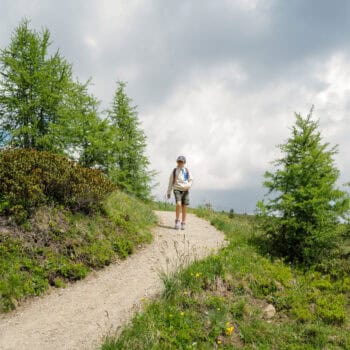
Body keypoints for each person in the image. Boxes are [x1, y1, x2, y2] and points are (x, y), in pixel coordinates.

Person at [167, 155, 193, 230]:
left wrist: (188, 186)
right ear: (177, 162)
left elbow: (191, 179)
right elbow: (170, 182)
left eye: (181, 161)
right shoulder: (174, 171)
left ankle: (183, 222)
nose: (180, 163)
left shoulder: (187, 170)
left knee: (184, 206)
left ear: (184, 162)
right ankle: (177, 220)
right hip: (177, 189)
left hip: (185, 190)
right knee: (178, 204)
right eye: (179, 161)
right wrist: (168, 192)